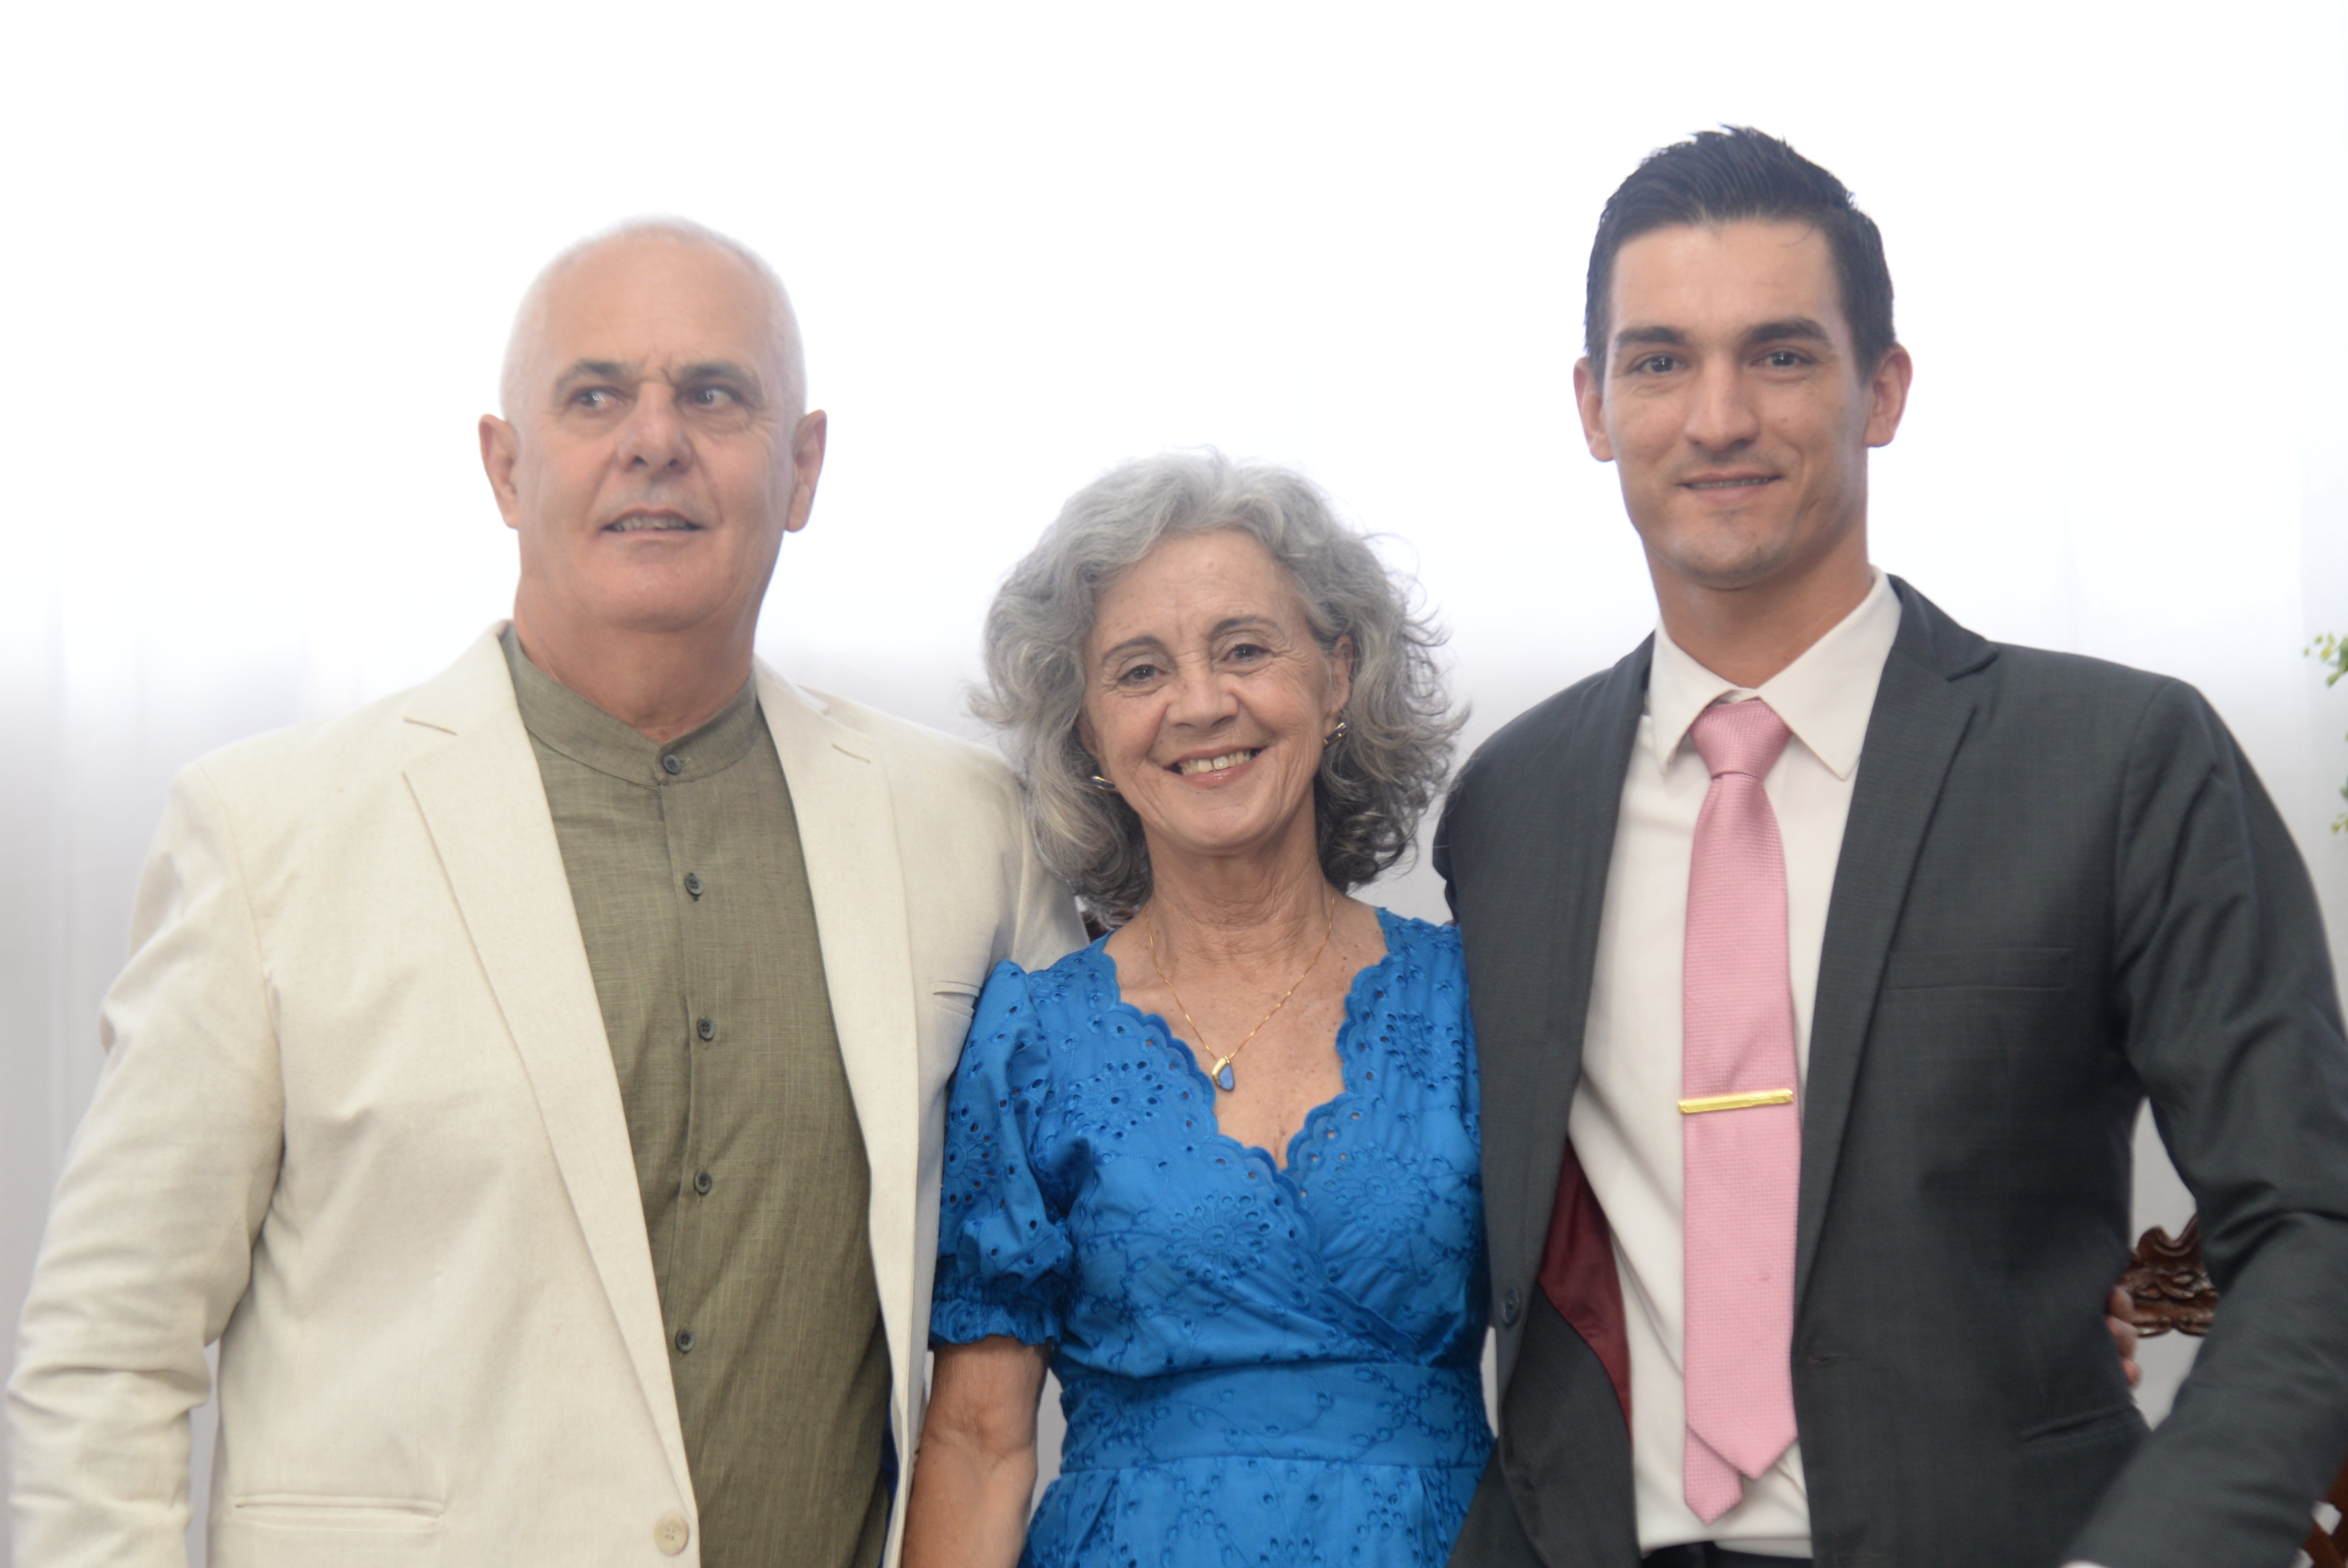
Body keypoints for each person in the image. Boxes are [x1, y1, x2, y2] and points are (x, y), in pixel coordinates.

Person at [7, 219, 1081, 1567]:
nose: (655, 439)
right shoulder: (267, 833)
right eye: (594, 395)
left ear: (802, 466)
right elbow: (108, 1352)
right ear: (506, 467)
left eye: (714, 394)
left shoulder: (968, 831)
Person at [1437, 127, 2348, 1568]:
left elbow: (2311, 1222)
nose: (1718, 416)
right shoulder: (1507, 808)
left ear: (1883, 389)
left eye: (1780, 355)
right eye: (1660, 360)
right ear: (1594, 406)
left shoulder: (2119, 761)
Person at [900, 452, 1483, 1566]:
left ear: (1338, 675)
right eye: (1139, 670)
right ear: (1088, 731)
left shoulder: (1473, 1000)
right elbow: (978, 1444)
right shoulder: (1032, 1041)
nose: (1202, 702)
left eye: (1246, 648)